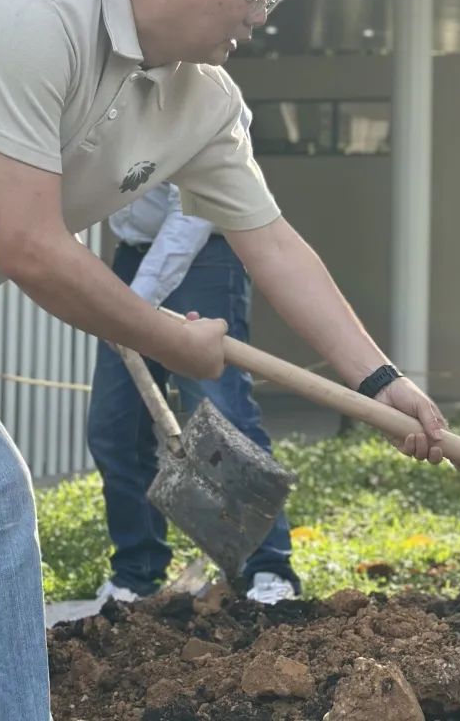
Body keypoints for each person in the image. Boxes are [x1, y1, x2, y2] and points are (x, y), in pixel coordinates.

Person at [0, 0, 447, 721]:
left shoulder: (205, 100)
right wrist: (171, 338)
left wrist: (382, 384)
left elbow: (272, 243)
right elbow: (32, 247)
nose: (263, 14)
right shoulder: (27, 17)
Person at [89, 180, 300, 605]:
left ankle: (269, 567)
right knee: (113, 427)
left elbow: (191, 210)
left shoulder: (200, 113)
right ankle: (137, 571)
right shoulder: (98, 114)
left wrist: (134, 303)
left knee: (225, 418)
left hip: (201, 255)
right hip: (129, 260)